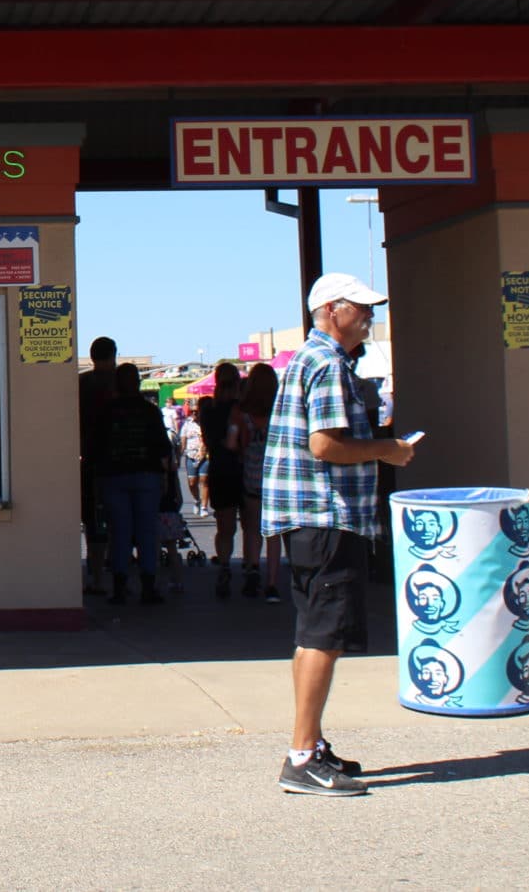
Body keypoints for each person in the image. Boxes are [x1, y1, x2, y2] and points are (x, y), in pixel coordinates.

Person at [262, 271, 416, 796]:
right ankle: (302, 757)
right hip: (327, 515)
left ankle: (312, 744)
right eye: (362, 307)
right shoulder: (327, 363)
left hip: (311, 518)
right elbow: (326, 446)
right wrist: (387, 448)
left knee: (313, 635)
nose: (371, 315)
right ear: (332, 310)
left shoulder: (311, 360)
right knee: (324, 637)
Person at [97, 362, 173, 605]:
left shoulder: (107, 411)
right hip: (146, 477)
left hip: (114, 477)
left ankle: (120, 587)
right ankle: (148, 586)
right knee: (146, 533)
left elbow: (95, 446)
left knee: (119, 533)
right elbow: (163, 446)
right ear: (138, 383)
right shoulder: (149, 411)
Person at [232, 361, 283, 602]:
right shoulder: (281, 410)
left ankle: (253, 568)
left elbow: (235, 444)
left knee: (252, 528)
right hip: (277, 476)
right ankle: (272, 583)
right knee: (274, 533)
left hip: (251, 473)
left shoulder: (241, 413)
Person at [77, 336, 117, 595]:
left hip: (91, 460)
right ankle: (120, 575)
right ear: (114, 354)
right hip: (124, 461)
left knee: (94, 521)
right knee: (122, 521)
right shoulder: (121, 384)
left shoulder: (82, 384)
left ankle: (98, 576)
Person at [203, 362, 245, 595]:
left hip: (219, 469)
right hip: (243, 468)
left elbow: (209, 441)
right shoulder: (241, 408)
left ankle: (225, 563)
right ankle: (252, 568)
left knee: (224, 526)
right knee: (251, 526)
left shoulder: (208, 408)